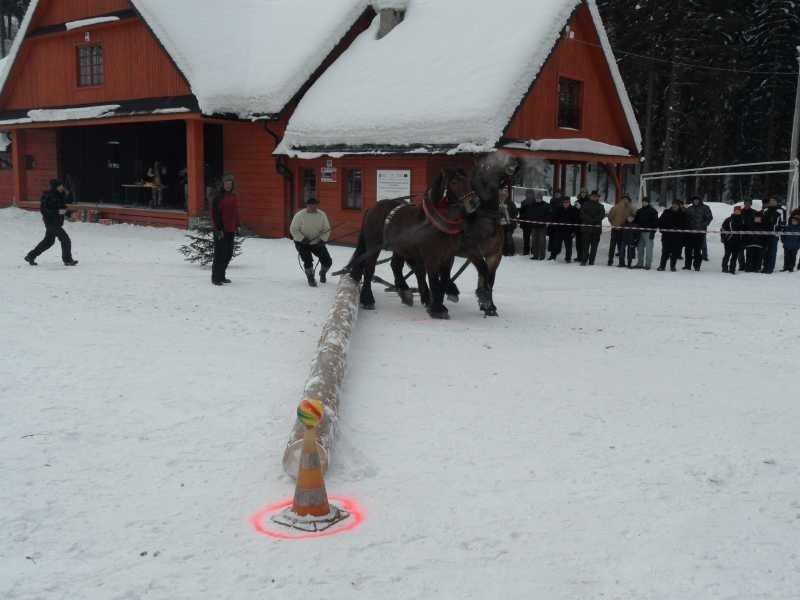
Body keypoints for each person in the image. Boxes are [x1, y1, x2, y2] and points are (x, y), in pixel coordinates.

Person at [25, 179, 78, 267]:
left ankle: (30, 256)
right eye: (61, 186)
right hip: (51, 223)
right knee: (65, 240)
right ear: (56, 187)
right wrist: (59, 212)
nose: (62, 187)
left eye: (62, 186)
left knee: (48, 242)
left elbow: (63, 208)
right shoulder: (48, 196)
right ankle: (67, 260)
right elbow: (45, 210)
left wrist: (69, 213)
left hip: (56, 223)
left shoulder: (60, 195)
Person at [290, 197, 333, 287]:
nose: (314, 207)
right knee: (308, 260)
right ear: (307, 205)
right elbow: (293, 229)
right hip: (302, 243)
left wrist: (323, 239)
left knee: (327, 261)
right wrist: (302, 238)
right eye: (311, 205)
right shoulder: (300, 215)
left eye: (315, 205)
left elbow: (326, 229)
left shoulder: (322, 215)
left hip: (317, 243)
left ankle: (322, 273)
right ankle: (310, 277)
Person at [210, 174, 240, 286]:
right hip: (221, 230)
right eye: (226, 183)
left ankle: (222, 276)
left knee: (228, 254)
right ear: (223, 184)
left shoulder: (233, 196)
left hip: (231, 229)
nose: (228, 185)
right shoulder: (218, 197)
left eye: (230, 183)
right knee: (219, 254)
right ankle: (215, 277)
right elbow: (214, 214)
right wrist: (219, 229)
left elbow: (235, 212)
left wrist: (238, 225)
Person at [682, 196, 712, 271]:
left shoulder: (705, 208)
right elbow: (685, 218)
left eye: (697, 200)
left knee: (697, 250)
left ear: (699, 200)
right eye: (694, 200)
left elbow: (709, 217)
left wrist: (703, 225)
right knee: (688, 250)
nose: (696, 201)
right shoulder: (689, 208)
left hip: (700, 232)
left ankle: (697, 266)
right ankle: (687, 265)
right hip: (690, 232)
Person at [657, 198, 687, 271]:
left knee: (675, 252)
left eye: (676, 205)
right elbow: (660, 222)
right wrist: (662, 230)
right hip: (666, 236)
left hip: (677, 237)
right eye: (673, 204)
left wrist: (682, 234)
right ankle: (662, 266)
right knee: (665, 252)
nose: (674, 206)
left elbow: (685, 225)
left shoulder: (682, 214)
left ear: (679, 206)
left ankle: (673, 266)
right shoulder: (666, 212)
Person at [549, 196, 579, 262]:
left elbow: (576, 221)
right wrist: (555, 227)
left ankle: (568, 258)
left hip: (569, 231)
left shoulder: (573, 210)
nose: (566, 204)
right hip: (559, 230)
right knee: (556, 245)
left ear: (569, 202)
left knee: (568, 246)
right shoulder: (559, 209)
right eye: (564, 202)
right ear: (562, 203)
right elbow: (554, 219)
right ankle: (553, 256)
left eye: (567, 202)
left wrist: (574, 231)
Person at [579, 191, 606, 265]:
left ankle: (591, 261)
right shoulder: (585, 204)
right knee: (585, 246)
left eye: (596, 196)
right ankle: (584, 260)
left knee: (594, 247)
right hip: (586, 229)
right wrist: (589, 220)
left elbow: (602, 215)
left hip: (596, 230)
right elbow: (581, 214)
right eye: (593, 196)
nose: (594, 197)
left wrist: (594, 220)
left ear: (598, 197)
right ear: (590, 196)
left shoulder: (601, 206)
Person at [606, 195, 634, 266]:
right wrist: (614, 224)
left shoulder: (629, 208)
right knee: (617, 247)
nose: (625, 201)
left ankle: (616, 261)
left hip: (622, 230)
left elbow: (609, 217)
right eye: (624, 199)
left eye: (627, 199)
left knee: (618, 247)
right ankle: (614, 261)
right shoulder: (618, 207)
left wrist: (613, 224)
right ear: (622, 200)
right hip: (619, 229)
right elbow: (610, 217)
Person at [524, 192, 551, 261]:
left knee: (542, 241)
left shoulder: (546, 205)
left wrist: (546, 221)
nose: (538, 199)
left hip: (542, 226)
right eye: (537, 198)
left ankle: (542, 255)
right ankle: (535, 255)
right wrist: (530, 222)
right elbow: (529, 214)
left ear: (541, 198)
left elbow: (548, 215)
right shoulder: (532, 205)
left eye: (539, 198)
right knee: (534, 241)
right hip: (534, 226)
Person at [761, 197, 785, 274]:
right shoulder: (765, 210)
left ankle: (770, 268)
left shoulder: (781, 210)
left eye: (773, 201)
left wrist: (778, 231)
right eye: (770, 201)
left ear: (776, 202)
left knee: (772, 252)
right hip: (764, 235)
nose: (771, 202)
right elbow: (761, 221)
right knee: (765, 251)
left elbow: (783, 222)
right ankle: (765, 267)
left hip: (774, 235)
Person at [634, 197, 658, 270]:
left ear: (648, 202)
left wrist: (653, 232)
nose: (644, 203)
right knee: (640, 249)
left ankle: (648, 264)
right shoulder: (639, 211)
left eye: (646, 202)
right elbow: (636, 221)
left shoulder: (653, 211)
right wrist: (636, 232)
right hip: (640, 232)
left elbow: (655, 223)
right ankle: (640, 263)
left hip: (649, 233)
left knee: (649, 250)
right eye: (643, 202)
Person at [720, 206, 743, 275]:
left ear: (740, 211)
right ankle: (724, 267)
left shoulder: (742, 220)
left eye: (738, 210)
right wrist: (723, 238)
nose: (737, 211)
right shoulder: (728, 220)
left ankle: (732, 269)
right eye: (736, 210)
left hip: (738, 241)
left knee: (735, 256)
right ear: (734, 211)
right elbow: (722, 229)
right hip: (729, 241)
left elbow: (745, 230)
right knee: (727, 254)